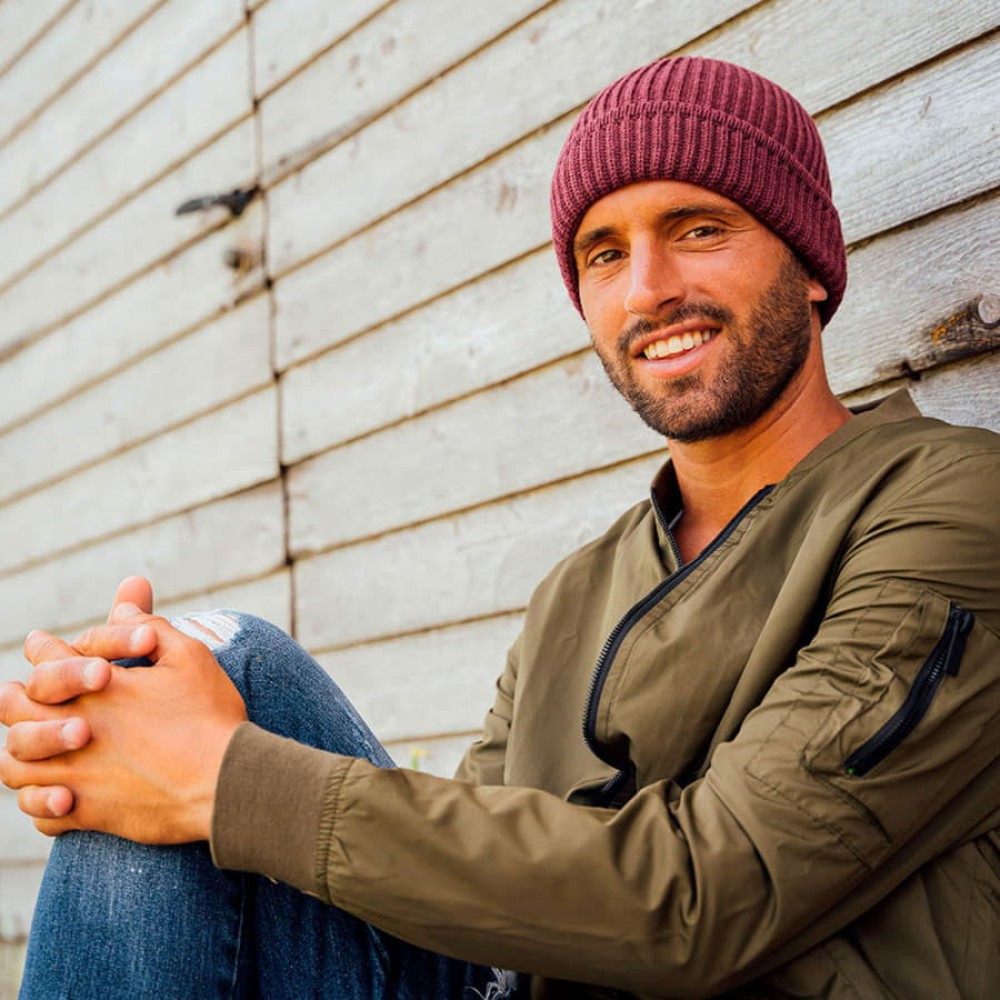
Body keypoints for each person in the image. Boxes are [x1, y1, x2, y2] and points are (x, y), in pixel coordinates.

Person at [2, 55, 999, 1000]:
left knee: (207, 731)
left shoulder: (948, 504)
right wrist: (129, 744)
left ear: (812, 264)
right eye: (604, 254)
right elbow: (465, 900)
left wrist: (224, 782)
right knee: (166, 682)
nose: (646, 289)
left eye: (698, 229)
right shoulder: (576, 591)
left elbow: (710, 894)